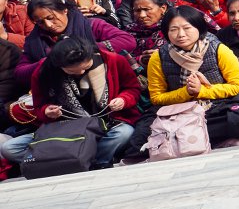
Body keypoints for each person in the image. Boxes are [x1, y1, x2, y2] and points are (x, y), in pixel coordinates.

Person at [1, 37, 141, 172]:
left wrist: (123, 99)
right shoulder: (44, 71)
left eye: (85, 68)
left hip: (107, 123)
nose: (80, 73)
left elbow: (133, 88)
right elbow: (39, 106)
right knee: (9, 148)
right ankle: (69, 161)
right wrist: (47, 111)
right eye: (72, 71)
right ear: (59, 66)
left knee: (123, 133)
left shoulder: (112, 60)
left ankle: (91, 161)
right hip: (65, 131)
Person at [146, 5, 239, 147]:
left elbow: (238, 86)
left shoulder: (219, 49)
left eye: (187, 28)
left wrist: (202, 91)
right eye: (174, 30)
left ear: (199, 28)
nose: (181, 34)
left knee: (238, 117)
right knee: (145, 132)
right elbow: (157, 97)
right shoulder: (158, 57)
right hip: (179, 110)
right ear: (166, 33)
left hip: (216, 107)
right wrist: (187, 92)